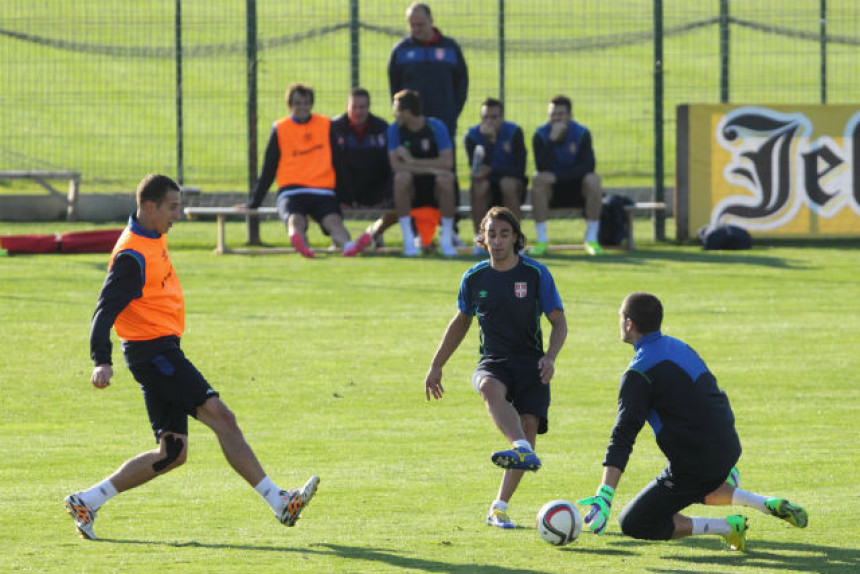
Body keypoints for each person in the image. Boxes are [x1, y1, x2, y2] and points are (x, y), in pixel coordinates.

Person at [64, 174, 319, 540]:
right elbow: (103, 312)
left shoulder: (152, 235)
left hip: (160, 350)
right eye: (172, 207)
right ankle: (280, 502)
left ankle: (87, 500)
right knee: (222, 417)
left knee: (172, 452)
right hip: (153, 354)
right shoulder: (131, 256)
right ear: (148, 206)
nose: (177, 216)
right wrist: (100, 360)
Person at [578, 292, 808, 551]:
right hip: (727, 447)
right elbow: (712, 394)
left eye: (620, 316)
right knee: (694, 484)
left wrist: (605, 494)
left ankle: (727, 527)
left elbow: (623, 435)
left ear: (629, 323)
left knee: (635, 521)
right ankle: (759, 500)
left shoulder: (638, 374)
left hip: (696, 464)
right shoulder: (679, 346)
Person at [425, 207, 567, 529]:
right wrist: (436, 365)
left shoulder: (536, 274)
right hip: (493, 360)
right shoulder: (474, 278)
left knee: (529, 424)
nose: (498, 240)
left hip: (532, 363)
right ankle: (520, 449)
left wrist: (551, 357)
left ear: (516, 238)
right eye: (492, 234)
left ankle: (499, 508)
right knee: (489, 387)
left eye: (505, 234)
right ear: (482, 239)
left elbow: (559, 322)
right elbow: (461, 322)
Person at [246, 82, 372, 258]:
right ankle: (300, 242)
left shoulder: (325, 125)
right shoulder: (280, 128)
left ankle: (348, 246)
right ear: (289, 106)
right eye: (297, 104)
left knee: (333, 221)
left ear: (311, 104)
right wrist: (255, 202)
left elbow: (339, 163)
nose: (302, 107)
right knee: (295, 219)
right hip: (292, 190)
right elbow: (269, 168)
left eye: (306, 103)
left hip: (322, 191)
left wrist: (348, 197)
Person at [529, 95, 604, 257]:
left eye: (560, 114)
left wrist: (557, 176)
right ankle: (542, 240)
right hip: (551, 192)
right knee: (538, 179)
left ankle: (591, 239)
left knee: (594, 179)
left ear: (570, 116)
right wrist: (551, 141)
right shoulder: (540, 136)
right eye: (553, 114)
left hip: (577, 189)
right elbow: (541, 167)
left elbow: (588, 166)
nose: (556, 118)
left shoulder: (582, 134)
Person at [388, 2, 468, 151]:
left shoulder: (450, 48)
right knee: (410, 169)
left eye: (421, 25)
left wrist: (451, 112)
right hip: (411, 124)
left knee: (445, 169)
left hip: (444, 121)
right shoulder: (400, 51)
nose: (416, 29)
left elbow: (461, 84)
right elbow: (394, 87)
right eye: (412, 25)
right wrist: (403, 113)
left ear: (431, 21)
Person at [388, 89, 457, 256]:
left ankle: (446, 241)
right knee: (401, 178)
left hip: (434, 189)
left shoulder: (436, 127)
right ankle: (409, 242)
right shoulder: (394, 130)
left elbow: (447, 162)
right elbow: (396, 166)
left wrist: (412, 161)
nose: (394, 113)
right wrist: (432, 169)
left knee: (446, 181)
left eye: (396, 109)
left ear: (406, 112)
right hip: (412, 189)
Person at [331, 87, 397, 249]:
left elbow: (389, 166)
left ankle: (375, 232)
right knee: (317, 200)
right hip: (343, 190)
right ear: (347, 106)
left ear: (368, 107)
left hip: (375, 188)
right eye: (354, 107)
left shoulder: (382, 129)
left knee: (403, 199)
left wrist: (384, 196)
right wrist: (347, 198)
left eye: (362, 107)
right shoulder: (334, 128)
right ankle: (340, 238)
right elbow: (334, 166)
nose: (358, 111)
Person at [464, 98, 527, 254]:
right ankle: (481, 240)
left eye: (494, 117)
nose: (489, 121)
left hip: (509, 183)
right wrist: (489, 143)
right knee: (480, 186)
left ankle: (515, 240)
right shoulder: (472, 136)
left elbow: (519, 168)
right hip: (486, 186)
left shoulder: (514, 132)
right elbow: (477, 170)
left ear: (502, 117)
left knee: (508, 184)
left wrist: (492, 169)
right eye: (486, 117)